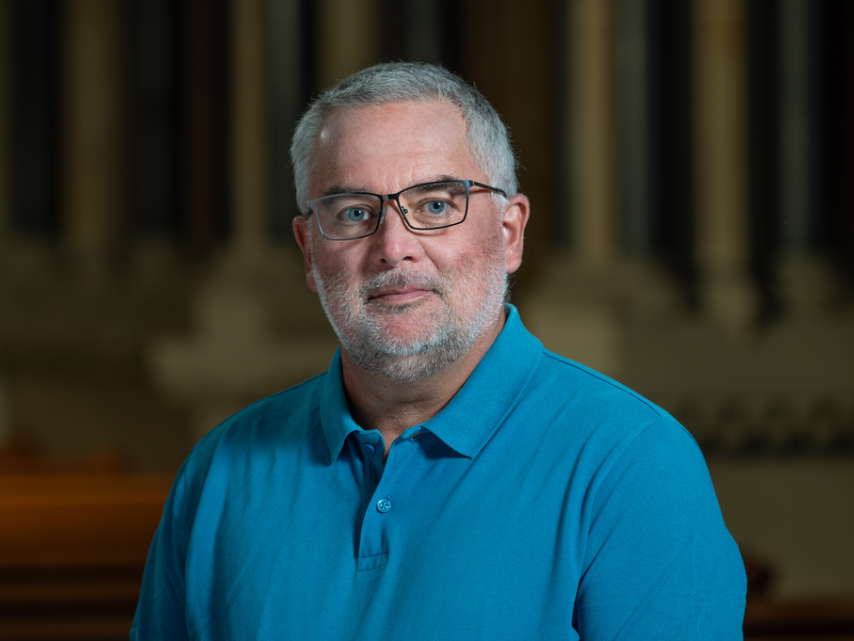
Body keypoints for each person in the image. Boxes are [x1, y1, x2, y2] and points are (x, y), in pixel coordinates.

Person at [132, 62, 745, 640]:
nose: (394, 247)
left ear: (509, 233)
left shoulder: (632, 464)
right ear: (308, 252)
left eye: (434, 205)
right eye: (353, 212)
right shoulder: (220, 471)